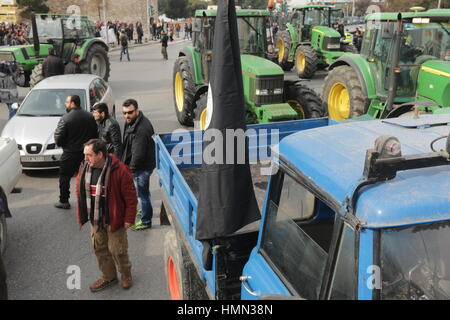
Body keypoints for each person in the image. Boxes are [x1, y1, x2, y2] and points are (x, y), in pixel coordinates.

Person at [76, 139, 137, 292]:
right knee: (100, 249)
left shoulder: (120, 170)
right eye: (85, 155)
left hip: (114, 219)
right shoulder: (84, 167)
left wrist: (129, 218)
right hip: (95, 219)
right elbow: (79, 189)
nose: (85, 158)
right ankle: (108, 276)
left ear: (100, 154)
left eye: (89, 155)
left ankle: (125, 275)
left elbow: (131, 198)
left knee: (118, 250)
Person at [54, 95, 98, 209]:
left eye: (67, 102)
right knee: (88, 177)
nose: (65, 104)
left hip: (69, 153)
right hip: (86, 153)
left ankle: (64, 201)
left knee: (64, 177)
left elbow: (58, 138)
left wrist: (64, 145)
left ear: (72, 103)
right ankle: (89, 201)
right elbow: (95, 134)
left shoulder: (66, 118)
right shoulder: (89, 116)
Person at [121, 99, 155, 230]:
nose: (126, 116)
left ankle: (146, 221)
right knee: (143, 193)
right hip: (141, 165)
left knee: (142, 194)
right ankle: (144, 211)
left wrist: (130, 170)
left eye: (130, 112)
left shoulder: (141, 129)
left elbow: (138, 154)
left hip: (142, 167)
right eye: (124, 113)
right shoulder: (132, 122)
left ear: (137, 110)